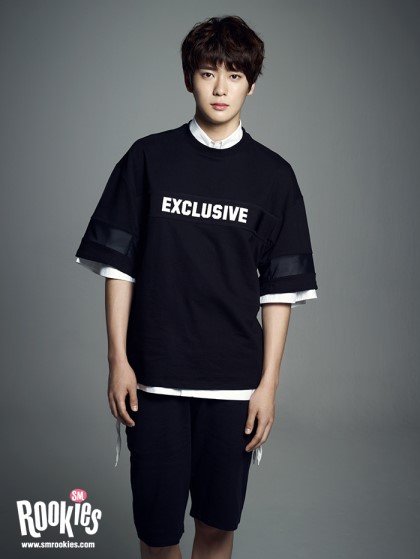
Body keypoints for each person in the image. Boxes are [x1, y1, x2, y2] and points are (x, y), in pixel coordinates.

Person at [75, 14, 318, 559]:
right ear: (189, 79)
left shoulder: (274, 177)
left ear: (251, 84)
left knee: (216, 529)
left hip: (233, 385)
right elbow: (119, 269)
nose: (220, 87)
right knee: (158, 536)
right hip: (154, 378)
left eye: (234, 75)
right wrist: (118, 360)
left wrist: (268, 385)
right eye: (208, 73)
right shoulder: (148, 159)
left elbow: (278, 293)